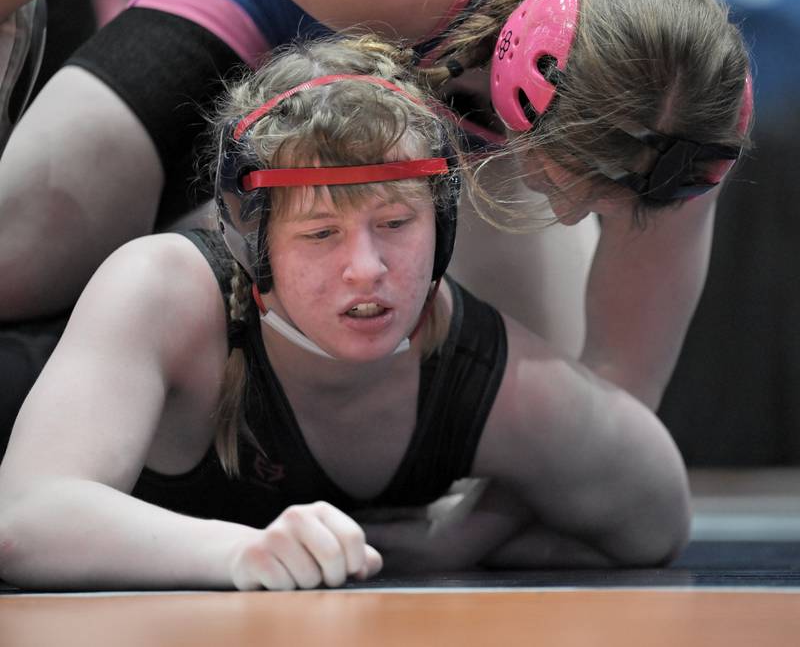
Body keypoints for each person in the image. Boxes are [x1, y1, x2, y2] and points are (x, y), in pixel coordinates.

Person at [0, 37, 690, 591]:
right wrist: (243, 554)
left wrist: (455, 542)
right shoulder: (164, 290)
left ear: (444, 224)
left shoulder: (475, 365)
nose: (367, 268)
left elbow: (652, 516)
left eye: (395, 223)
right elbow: (25, 518)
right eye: (320, 233)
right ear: (253, 237)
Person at [0, 0, 751, 411]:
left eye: (599, 207)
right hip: (264, 11)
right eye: (573, 186)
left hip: (468, 110)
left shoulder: (686, 106)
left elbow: (622, 398)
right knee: (20, 250)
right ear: (532, 87)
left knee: (529, 409)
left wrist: (460, 536)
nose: (570, 214)